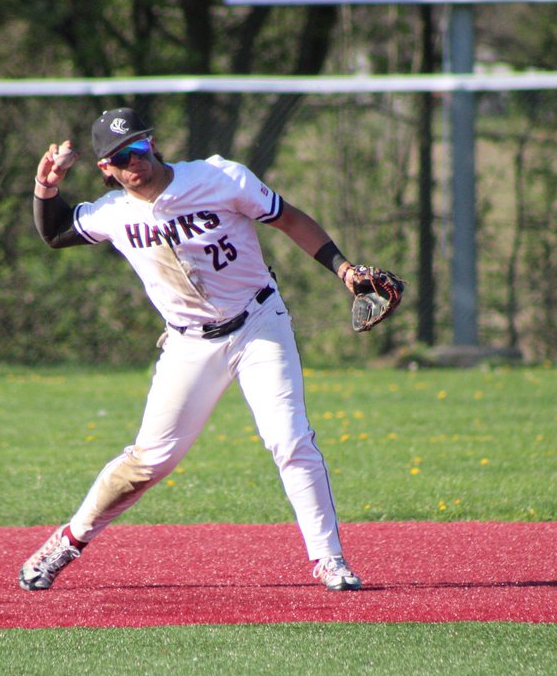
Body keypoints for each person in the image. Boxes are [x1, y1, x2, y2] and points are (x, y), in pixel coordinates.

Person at [20, 106, 376, 592]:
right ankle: (68, 540)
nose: (135, 162)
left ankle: (329, 559)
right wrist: (47, 185)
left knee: (289, 440)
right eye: (122, 157)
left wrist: (345, 270)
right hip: (188, 343)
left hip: (258, 325)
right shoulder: (115, 213)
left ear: (153, 143)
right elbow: (55, 231)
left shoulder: (219, 177)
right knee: (148, 462)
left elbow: (288, 218)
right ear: (105, 168)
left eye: (141, 147)